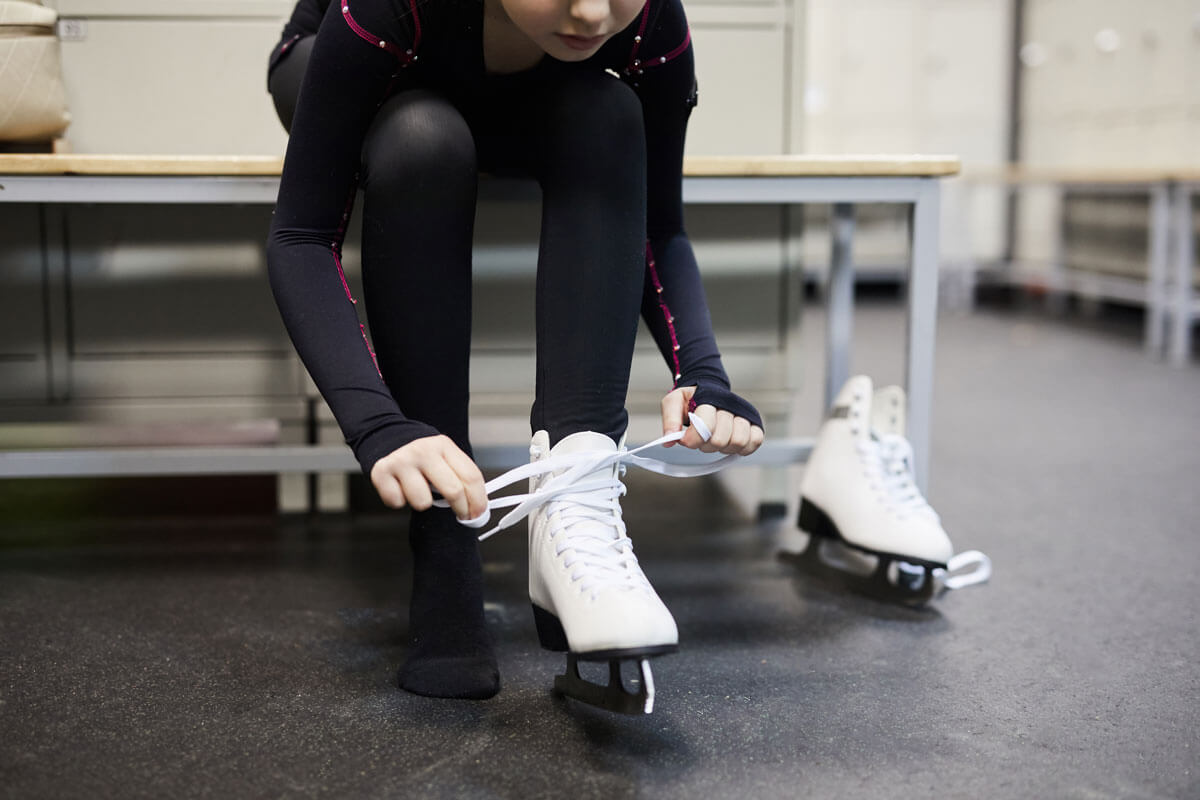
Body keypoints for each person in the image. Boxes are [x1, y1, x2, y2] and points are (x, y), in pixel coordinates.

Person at [265, 0, 764, 706]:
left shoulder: (647, 21)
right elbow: (302, 237)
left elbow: (659, 226)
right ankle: (443, 549)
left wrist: (704, 373)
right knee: (423, 138)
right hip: (361, 61)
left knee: (609, 112)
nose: (593, 11)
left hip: (529, 93)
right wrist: (379, 426)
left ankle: (574, 498)